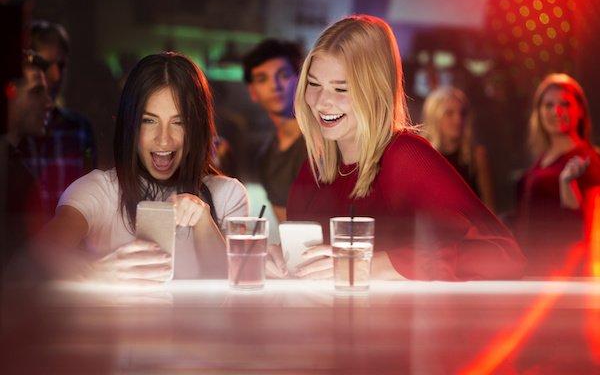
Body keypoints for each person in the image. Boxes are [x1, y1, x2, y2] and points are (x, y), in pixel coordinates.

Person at [282, 15, 525, 281]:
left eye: (341, 89)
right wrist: (279, 259)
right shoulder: (314, 169)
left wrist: (373, 265)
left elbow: (505, 255)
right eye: (313, 84)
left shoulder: (403, 157)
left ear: (376, 92)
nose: (321, 102)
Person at [34, 52, 248, 282]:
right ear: (130, 125)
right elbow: (42, 253)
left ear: (197, 127)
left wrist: (204, 222)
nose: (163, 139)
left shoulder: (228, 194)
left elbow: (231, 282)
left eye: (179, 122)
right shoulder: (98, 190)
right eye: (149, 121)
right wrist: (95, 272)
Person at [516, 73, 600, 276]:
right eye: (548, 105)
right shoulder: (543, 159)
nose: (556, 111)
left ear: (580, 110)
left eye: (565, 104)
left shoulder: (589, 160)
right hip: (534, 269)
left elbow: (583, 227)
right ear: (539, 112)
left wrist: (566, 183)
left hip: (563, 275)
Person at [18, 20, 97, 217]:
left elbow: (93, 201)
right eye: (45, 65)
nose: (55, 75)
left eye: (61, 65)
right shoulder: (14, 135)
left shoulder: (79, 129)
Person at [243, 39, 307, 222]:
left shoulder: (326, 139)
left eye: (284, 75)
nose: (275, 86)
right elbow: (286, 227)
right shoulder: (265, 158)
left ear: (299, 79)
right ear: (253, 92)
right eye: (262, 79)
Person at [1, 50, 52, 270]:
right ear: (9, 92)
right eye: (37, 92)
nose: (48, 103)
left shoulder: (17, 165)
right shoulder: (11, 172)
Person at [421, 86, 495, 210]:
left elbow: (489, 209)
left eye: (462, 113)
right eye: (449, 113)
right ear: (434, 118)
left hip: (472, 228)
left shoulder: (477, 156)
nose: (458, 120)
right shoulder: (422, 157)